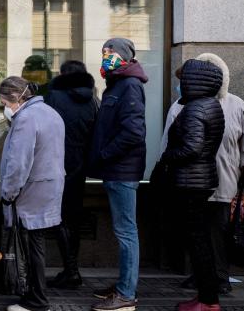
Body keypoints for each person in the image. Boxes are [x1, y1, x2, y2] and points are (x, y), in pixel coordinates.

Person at [160, 53, 244, 294]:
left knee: (220, 230)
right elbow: (167, 143)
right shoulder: (179, 106)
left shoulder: (236, 105)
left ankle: (220, 277)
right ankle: (202, 277)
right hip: (189, 182)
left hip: (224, 180)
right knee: (195, 232)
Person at [157, 59, 226, 311]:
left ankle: (208, 301)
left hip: (189, 183)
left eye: (183, 80)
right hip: (200, 180)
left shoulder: (196, 109)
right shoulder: (211, 105)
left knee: (198, 244)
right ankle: (207, 297)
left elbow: (192, 148)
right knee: (200, 242)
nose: (179, 84)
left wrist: (167, 156)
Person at [87, 37, 148, 311]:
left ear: (124, 55)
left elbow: (134, 132)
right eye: (104, 51)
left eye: (110, 51)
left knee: (126, 232)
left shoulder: (130, 85)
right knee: (123, 231)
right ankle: (124, 285)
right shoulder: (116, 84)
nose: (106, 54)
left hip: (122, 170)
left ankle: (126, 295)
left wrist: (105, 153)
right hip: (114, 169)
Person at [0, 77, 66, 311]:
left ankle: (37, 299)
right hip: (49, 186)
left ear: (16, 98)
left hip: (31, 189)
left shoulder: (26, 118)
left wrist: (8, 193)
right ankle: (35, 296)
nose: (5, 108)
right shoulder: (49, 112)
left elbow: (19, 163)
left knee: (31, 246)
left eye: (5, 102)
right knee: (36, 244)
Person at [44, 60, 99, 289]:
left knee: (59, 217)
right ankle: (70, 269)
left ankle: (72, 270)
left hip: (58, 163)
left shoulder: (55, 96)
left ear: (63, 74)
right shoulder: (93, 100)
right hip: (81, 165)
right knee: (73, 218)